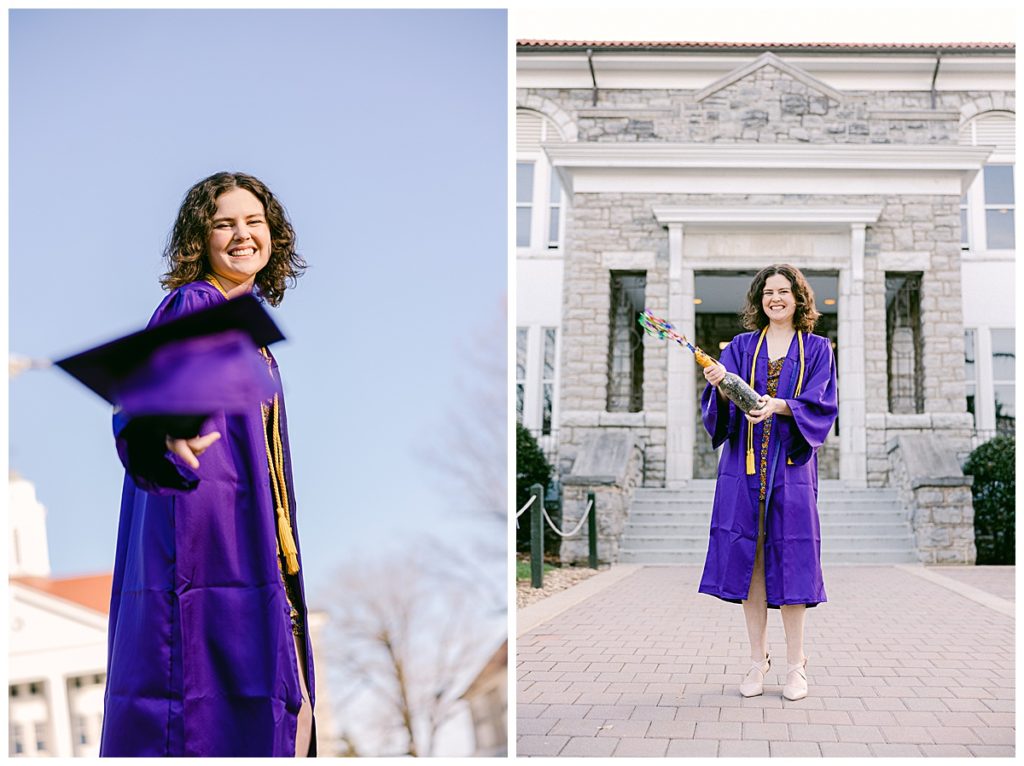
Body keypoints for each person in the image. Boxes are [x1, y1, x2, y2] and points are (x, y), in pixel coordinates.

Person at [99, 172, 315, 756]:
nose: (242, 234)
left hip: (253, 547)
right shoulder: (195, 304)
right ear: (201, 238)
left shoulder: (251, 334)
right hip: (204, 548)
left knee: (285, 714)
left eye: (254, 221)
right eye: (225, 224)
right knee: (209, 715)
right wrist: (164, 432)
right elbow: (144, 393)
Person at [698, 263, 838, 702]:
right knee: (751, 561)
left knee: (793, 559)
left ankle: (796, 664)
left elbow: (822, 404)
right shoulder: (740, 347)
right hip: (743, 465)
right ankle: (757, 660)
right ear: (760, 301)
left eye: (783, 291)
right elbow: (724, 405)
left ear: (798, 298)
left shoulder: (817, 349)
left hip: (791, 467)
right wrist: (719, 385)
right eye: (768, 293)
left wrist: (780, 406)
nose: (775, 299)